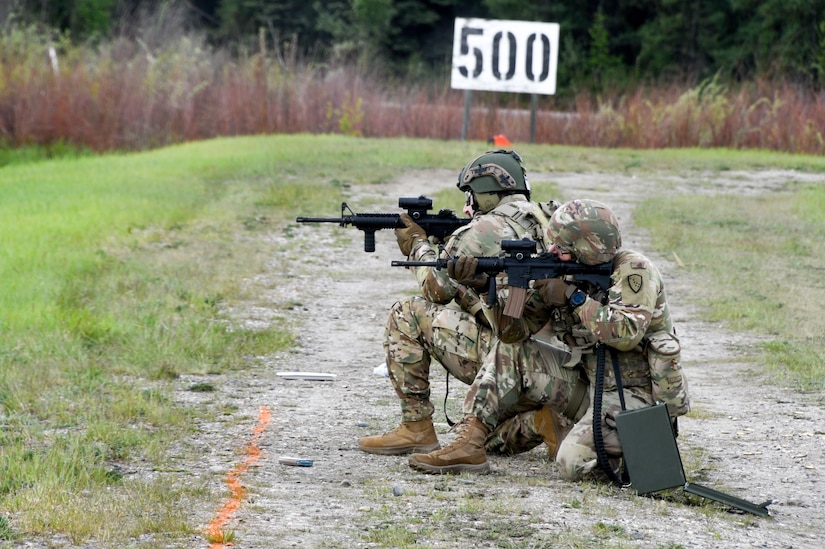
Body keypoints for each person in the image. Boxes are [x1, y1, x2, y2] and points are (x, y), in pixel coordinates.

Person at [408, 199, 690, 480]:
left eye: (562, 248)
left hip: (635, 396)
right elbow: (512, 333)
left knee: (572, 463)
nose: (552, 250)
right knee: (512, 353)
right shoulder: (562, 271)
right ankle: (469, 442)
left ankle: (636, 456)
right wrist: (484, 287)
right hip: (588, 383)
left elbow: (625, 333)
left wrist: (572, 297)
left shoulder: (634, 270)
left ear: (585, 249)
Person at [358, 149, 579, 458]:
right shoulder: (550, 217)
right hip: (563, 370)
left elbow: (434, 289)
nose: (466, 205)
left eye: (471, 196)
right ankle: (541, 421)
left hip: (513, 363)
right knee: (480, 439)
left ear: (488, 193)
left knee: (406, 313)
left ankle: (416, 428)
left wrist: (417, 245)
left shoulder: (484, 230)